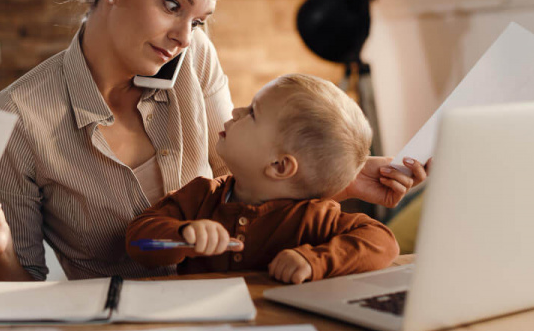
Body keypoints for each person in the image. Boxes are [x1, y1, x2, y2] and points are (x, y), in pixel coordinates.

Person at [0, 0, 428, 286]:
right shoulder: (19, 118)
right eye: (172, 5)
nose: (183, 37)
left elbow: (237, 178)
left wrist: (341, 173)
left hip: (237, 310)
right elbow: (20, 292)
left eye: (198, 21)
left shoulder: (194, 56)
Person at [126, 74, 399, 284]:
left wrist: (313, 260)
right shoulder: (199, 195)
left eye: (252, 113)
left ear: (279, 166)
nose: (235, 112)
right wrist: (182, 235)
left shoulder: (313, 217)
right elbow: (137, 242)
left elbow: (383, 242)